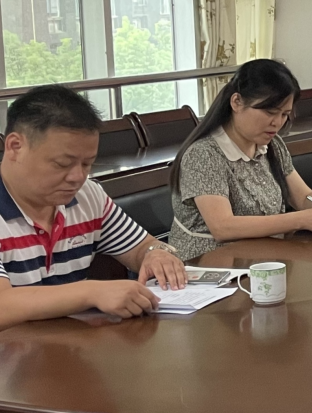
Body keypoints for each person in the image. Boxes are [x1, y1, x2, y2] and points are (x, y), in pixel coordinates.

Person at [0, 85, 188, 329]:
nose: (77, 177)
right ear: (15, 146)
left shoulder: (87, 195)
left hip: (69, 343)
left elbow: (140, 247)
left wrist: (156, 253)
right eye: (62, 164)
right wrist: (91, 292)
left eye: (87, 164)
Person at [170, 60, 312, 261]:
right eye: (270, 112)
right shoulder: (204, 154)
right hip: (209, 264)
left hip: (263, 256)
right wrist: (299, 220)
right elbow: (223, 227)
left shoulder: (272, 145)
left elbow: (302, 198)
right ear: (237, 102)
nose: (277, 123)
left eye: (284, 115)